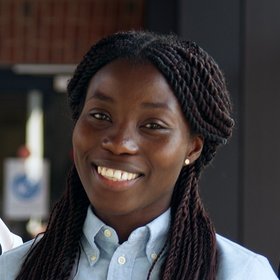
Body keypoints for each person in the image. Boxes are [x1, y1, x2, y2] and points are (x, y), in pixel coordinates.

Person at [0, 31, 278, 280]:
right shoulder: (14, 270)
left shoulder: (241, 274)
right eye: (100, 115)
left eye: (152, 126)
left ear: (193, 148)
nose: (120, 143)